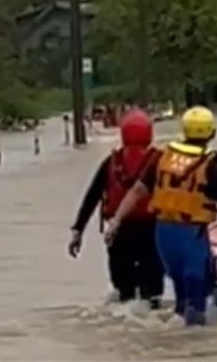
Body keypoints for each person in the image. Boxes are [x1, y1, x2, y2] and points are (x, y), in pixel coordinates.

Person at [106, 106, 217, 326]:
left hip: (163, 235)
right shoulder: (211, 166)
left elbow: (137, 191)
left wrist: (116, 221)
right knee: (197, 300)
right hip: (191, 236)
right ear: (212, 133)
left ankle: (176, 343)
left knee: (180, 295)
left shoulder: (163, 157)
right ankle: (195, 350)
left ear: (184, 131)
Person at [68, 109, 165, 307]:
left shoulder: (111, 163)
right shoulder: (161, 161)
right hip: (153, 231)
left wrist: (78, 231)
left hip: (119, 232)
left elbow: (92, 197)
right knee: (152, 293)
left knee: (124, 292)